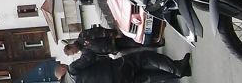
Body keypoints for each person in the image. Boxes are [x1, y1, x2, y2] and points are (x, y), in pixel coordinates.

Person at [54, 48, 190, 83]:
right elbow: (89, 56)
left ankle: (181, 72)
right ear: (63, 69)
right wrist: (83, 48)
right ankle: (177, 68)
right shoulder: (72, 70)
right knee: (144, 58)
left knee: (146, 78)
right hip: (115, 69)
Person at [65, 25, 143, 56]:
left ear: (71, 45)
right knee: (137, 51)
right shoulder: (84, 52)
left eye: (73, 51)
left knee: (136, 43)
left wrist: (114, 34)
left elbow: (99, 32)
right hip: (115, 50)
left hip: (114, 40)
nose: (75, 52)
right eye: (73, 53)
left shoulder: (82, 36)